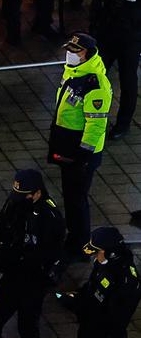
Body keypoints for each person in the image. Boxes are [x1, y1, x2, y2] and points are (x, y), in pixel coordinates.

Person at [0, 168, 65, 338]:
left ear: (38, 193)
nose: (20, 199)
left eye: (26, 196)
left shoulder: (50, 217)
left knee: (27, 326)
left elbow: (45, 254)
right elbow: (3, 224)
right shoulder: (17, 201)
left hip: (33, 281)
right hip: (13, 275)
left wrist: (11, 254)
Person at [49, 32, 112, 252]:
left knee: (77, 198)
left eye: (76, 51)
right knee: (70, 195)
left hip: (81, 151)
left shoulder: (94, 83)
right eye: (70, 50)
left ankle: (80, 243)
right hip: (68, 143)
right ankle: (74, 236)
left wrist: (84, 156)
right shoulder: (75, 72)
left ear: (88, 54)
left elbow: (95, 125)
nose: (70, 54)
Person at [73, 227, 141, 338]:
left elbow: (115, 314)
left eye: (99, 252)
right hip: (91, 333)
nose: (96, 256)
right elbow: (92, 287)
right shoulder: (104, 264)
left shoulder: (125, 279)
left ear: (110, 252)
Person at [93, 0, 141, 138]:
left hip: (131, 36)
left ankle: (123, 125)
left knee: (128, 79)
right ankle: (93, 117)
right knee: (97, 76)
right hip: (107, 30)